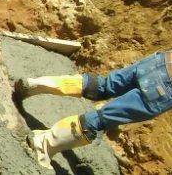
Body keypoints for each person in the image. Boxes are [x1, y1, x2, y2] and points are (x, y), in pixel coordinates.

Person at [15, 50, 172, 169]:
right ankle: (42, 144)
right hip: (163, 89)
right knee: (101, 119)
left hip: (161, 61)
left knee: (103, 86)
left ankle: (35, 84)